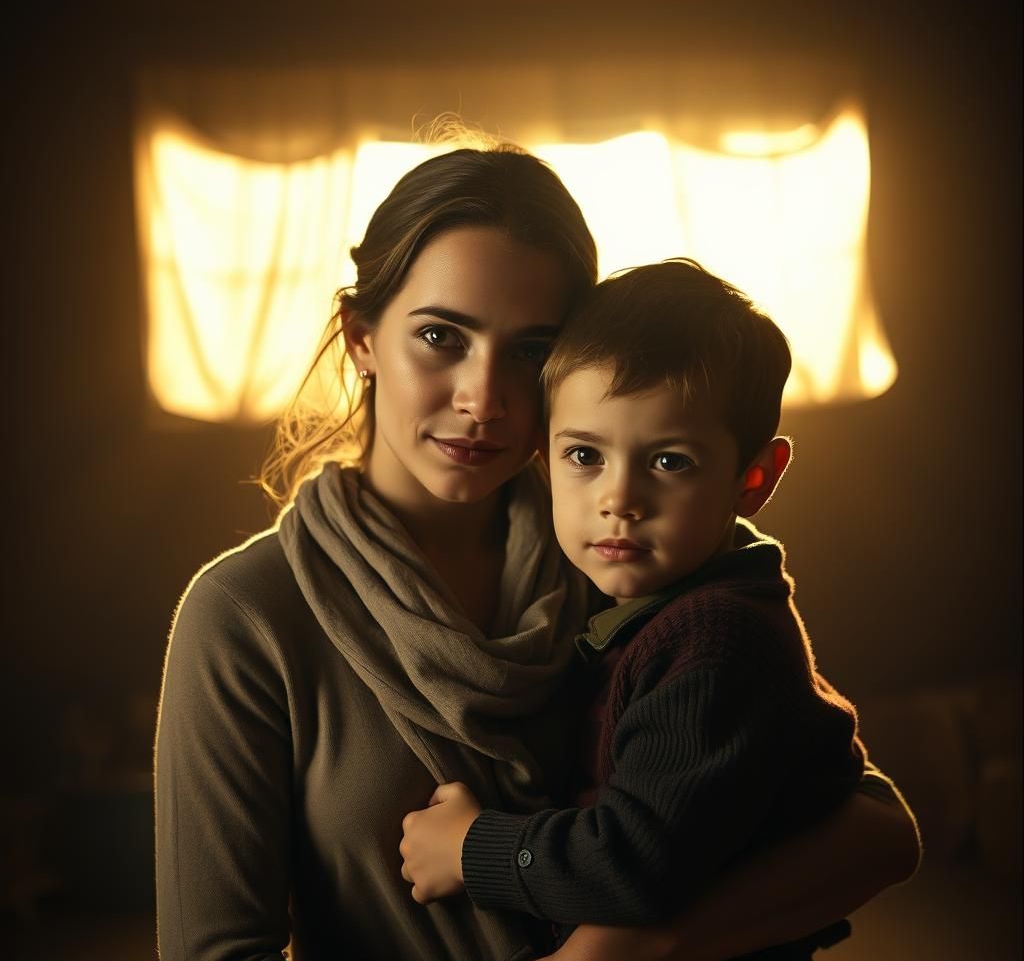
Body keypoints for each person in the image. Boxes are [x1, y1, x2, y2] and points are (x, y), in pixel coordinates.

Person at [154, 141, 920, 961]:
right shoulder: (247, 615)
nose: (484, 399)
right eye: (442, 336)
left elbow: (873, 830)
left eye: (529, 351)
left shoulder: (616, 562)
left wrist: (616, 950)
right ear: (362, 338)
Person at [399, 259, 883, 957]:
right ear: (545, 454)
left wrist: (475, 848)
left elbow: (637, 863)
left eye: (669, 463)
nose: (617, 499)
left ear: (754, 479)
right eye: (585, 455)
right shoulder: (647, 600)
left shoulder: (715, 638)